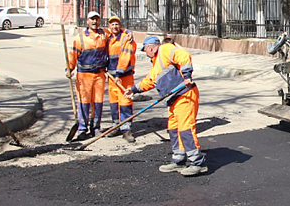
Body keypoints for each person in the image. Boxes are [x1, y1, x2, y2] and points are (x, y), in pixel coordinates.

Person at [126, 36, 206, 176]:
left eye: (145, 50)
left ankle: (196, 162)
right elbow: (149, 81)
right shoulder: (156, 63)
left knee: (185, 129)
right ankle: (179, 160)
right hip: (174, 99)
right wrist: (133, 90)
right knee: (174, 129)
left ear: (150, 47)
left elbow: (183, 56)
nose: (146, 54)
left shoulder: (165, 49)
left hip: (185, 94)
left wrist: (187, 75)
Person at [66, 11, 109, 141]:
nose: (94, 22)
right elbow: (73, 54)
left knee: (98, 103)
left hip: (99, 75)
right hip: (84, 75)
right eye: (92, 19)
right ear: (87, 21)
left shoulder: (104, 34)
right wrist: (69, 68)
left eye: (96, 19)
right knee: (84, 102)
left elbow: (118, 32)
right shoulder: (80, 38)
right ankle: (82, 129)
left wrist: (128, 34)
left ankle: (95, 127)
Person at [105, 16, 137, 143]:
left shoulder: (126, 38)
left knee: (125, 102)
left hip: (124, 77)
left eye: (117, 24)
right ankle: (116, 125)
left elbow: (125, 57)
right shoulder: (108, 38)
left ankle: (126, 129)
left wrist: (119, 73)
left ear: (121, 25)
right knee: (114, 103)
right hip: (112, 77)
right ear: (109, 26)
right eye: (112, 24)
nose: (114, 27)